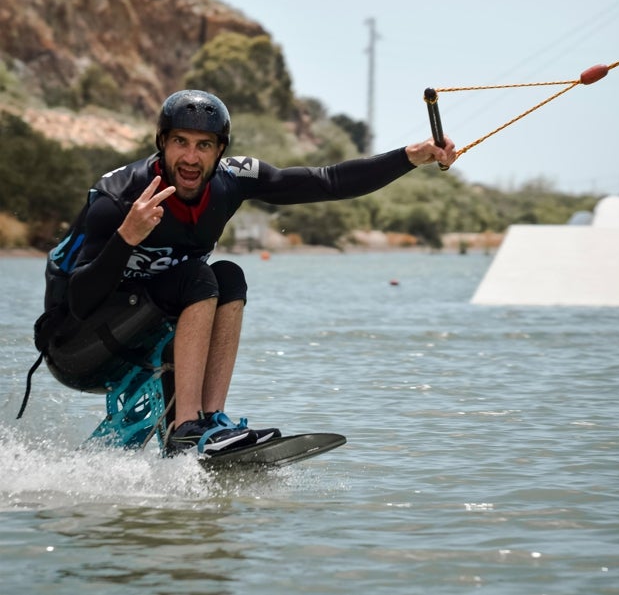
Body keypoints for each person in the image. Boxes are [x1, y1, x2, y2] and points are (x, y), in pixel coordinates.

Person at [35, 89, 457, 457]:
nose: (190, 157)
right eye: (180, 142)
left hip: (143, 335)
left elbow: (327, 181)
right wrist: (125, 237)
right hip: (76, 347)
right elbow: (79, 301)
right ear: (161, 143)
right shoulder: (120, 198)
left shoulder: (232, 179)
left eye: (204, 145)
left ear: (221, 151)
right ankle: (187, 428)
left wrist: (409, 157)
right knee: (198, 278)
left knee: (228, 276)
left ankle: (208, 422)